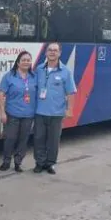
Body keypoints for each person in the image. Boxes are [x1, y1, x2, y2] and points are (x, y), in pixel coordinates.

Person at [33, 42, 76, 174]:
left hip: (57, 113)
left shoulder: (65, 72)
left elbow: (70, 92)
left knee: (53, 140)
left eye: (55, 50)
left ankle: (50, 164)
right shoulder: (39, 69)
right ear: (46, 52)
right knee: (38, 139)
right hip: (40, 112)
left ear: (59, 53)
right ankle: (39, 163)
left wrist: (69, 110)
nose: (52, 52)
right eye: (50, 50)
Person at [0, 50, 38, 172]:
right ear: (18, 62)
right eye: (23, 60)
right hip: (12, 114)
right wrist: (2, 112)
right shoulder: (9, 76)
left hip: (28, 114)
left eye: (28, 60)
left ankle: (18, 163)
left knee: (23, 140)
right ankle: (6, 161)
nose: (26, 62)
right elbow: (0, 95)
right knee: (10, 138)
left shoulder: (34, 77)